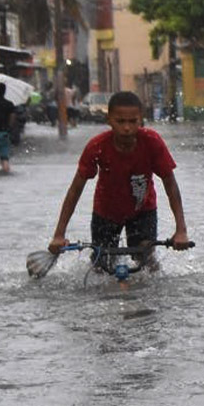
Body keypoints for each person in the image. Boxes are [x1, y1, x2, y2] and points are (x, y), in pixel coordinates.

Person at [47, 90, 190, 273]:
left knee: (146, 259)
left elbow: (171, 185)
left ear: (141, 119)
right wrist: (59, 234)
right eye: (120, 121)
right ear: (109, 120)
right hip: (105, 213)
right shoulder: (97, 146)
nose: (127, 128)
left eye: (133, 121)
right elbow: (75, 190)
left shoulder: (152, 142)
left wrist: (181, 230)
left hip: (143, 210)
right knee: (101, 265)